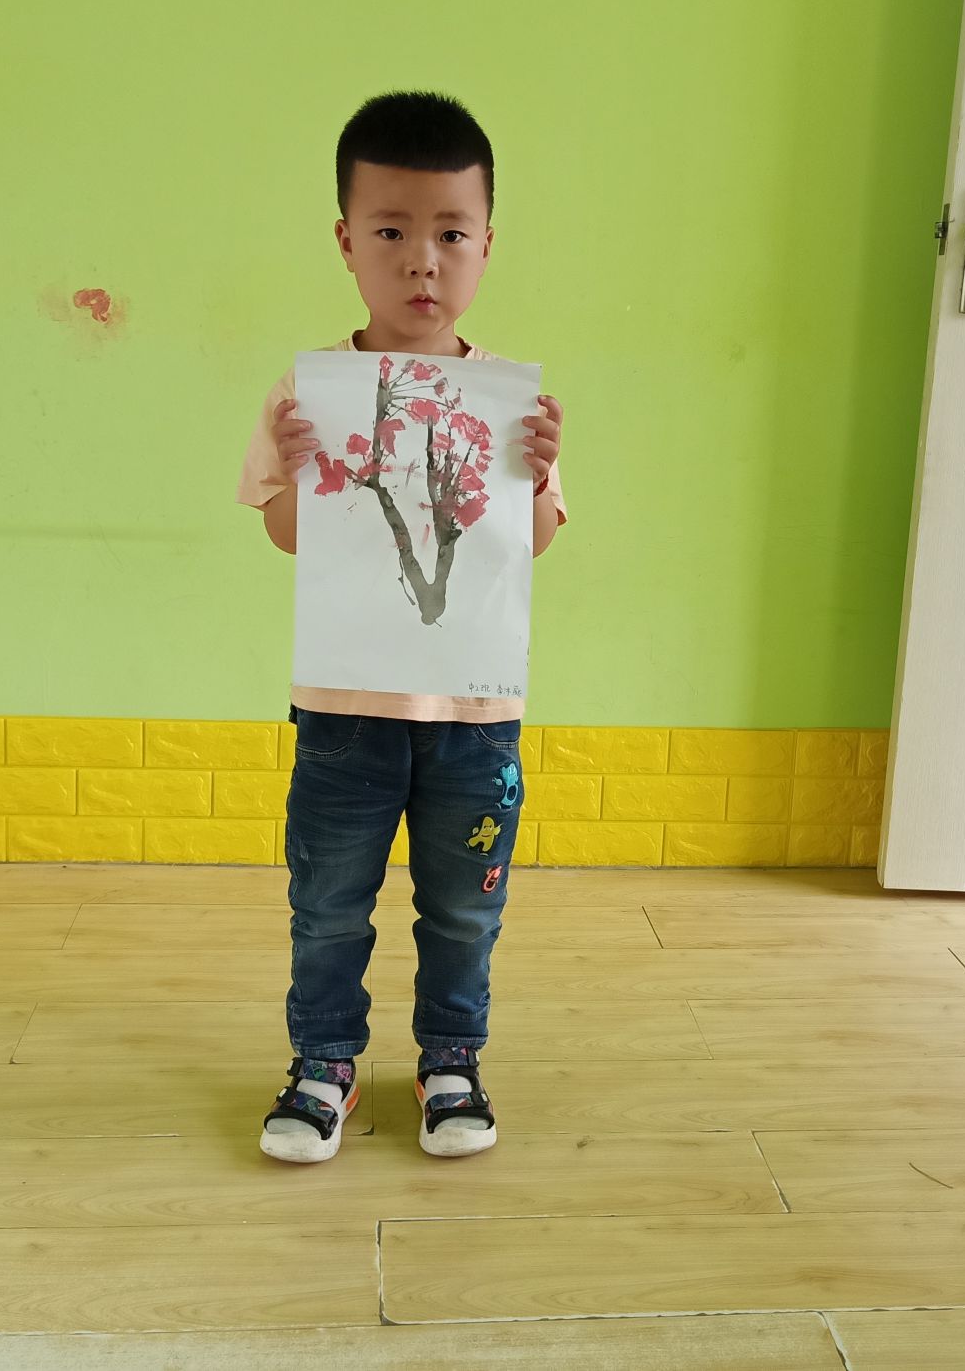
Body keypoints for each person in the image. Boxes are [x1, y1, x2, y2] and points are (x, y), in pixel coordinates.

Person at [236, 91, 567, 1163]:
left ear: (486, 245)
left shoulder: (508, 402)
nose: (422, 261)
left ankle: (450, 1063)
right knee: (330, 901)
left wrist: (536, 474)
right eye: (390, 232)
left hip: (474, 713)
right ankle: (323, 1064)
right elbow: (289, 536)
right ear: (346, 241)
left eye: (450, 235)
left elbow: (532, 544)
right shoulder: (311, 393)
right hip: (345, 710)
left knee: (464, 906)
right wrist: (299, 471)